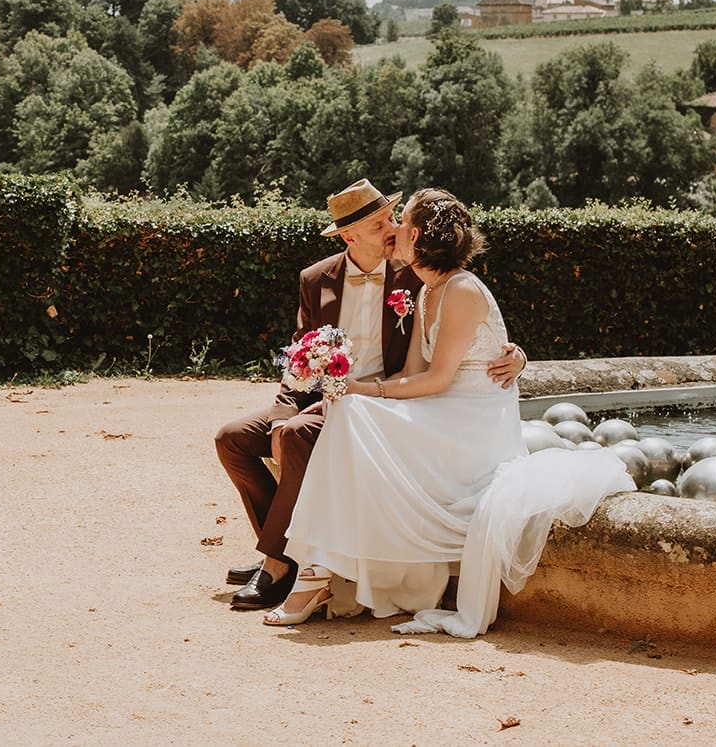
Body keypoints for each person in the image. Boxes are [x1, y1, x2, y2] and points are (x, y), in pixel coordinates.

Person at [269, 188, 632, 634]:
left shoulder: (460, 289)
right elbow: (411, 373)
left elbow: (436, 380)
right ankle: (317, 569)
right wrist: (356, 393)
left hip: (473, 420)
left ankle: (316, 571)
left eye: (399, 220)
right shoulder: (426, 292)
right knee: (351, 412)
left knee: (352, 412)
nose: (394, 228)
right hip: (440, 411)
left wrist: (361, 388)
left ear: (416, 234)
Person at [215, 179, 527, 612]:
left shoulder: (416, 275)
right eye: (381, 222)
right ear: (349, 235)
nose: (393, 227)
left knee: (297, 437)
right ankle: (282, 546)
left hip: (379, 402)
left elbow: (472, 327)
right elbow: (299, 357)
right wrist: (282, 413)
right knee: (232, 438)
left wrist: (519, 357)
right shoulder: (316, 278)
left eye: (394, 218)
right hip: (327, 397)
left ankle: (278, 566)